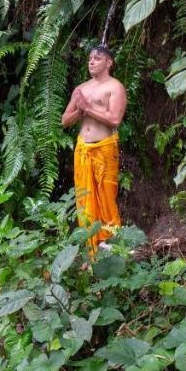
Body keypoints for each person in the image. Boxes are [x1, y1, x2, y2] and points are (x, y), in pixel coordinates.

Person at [60, 44, 127, 252]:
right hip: (83, 149)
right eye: (90, 58)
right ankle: (91, 249)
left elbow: (115, 119)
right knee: (84, 198)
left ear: (109, 63)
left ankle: (113, 244)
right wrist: (80, 110)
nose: (91, 61)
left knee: (106, 195)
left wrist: (88, 107)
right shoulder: (81, 89)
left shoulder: (115, 87)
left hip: (104, 148)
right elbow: (64, 120)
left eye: (97, 58)